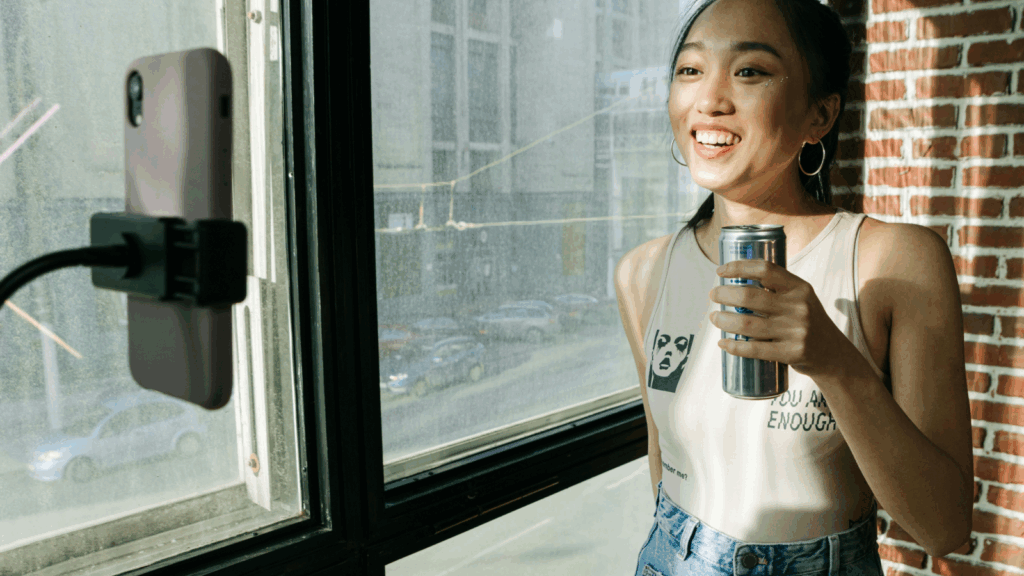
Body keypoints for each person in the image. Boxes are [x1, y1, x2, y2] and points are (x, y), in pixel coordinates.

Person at [614, 0, 975, 574]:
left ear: (820, 116)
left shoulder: (898, 260)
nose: (709, 99)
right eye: (689, 70)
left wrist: (835, 361)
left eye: (750, 71)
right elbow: (666, 461)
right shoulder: (642, 273)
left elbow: (944, 527)